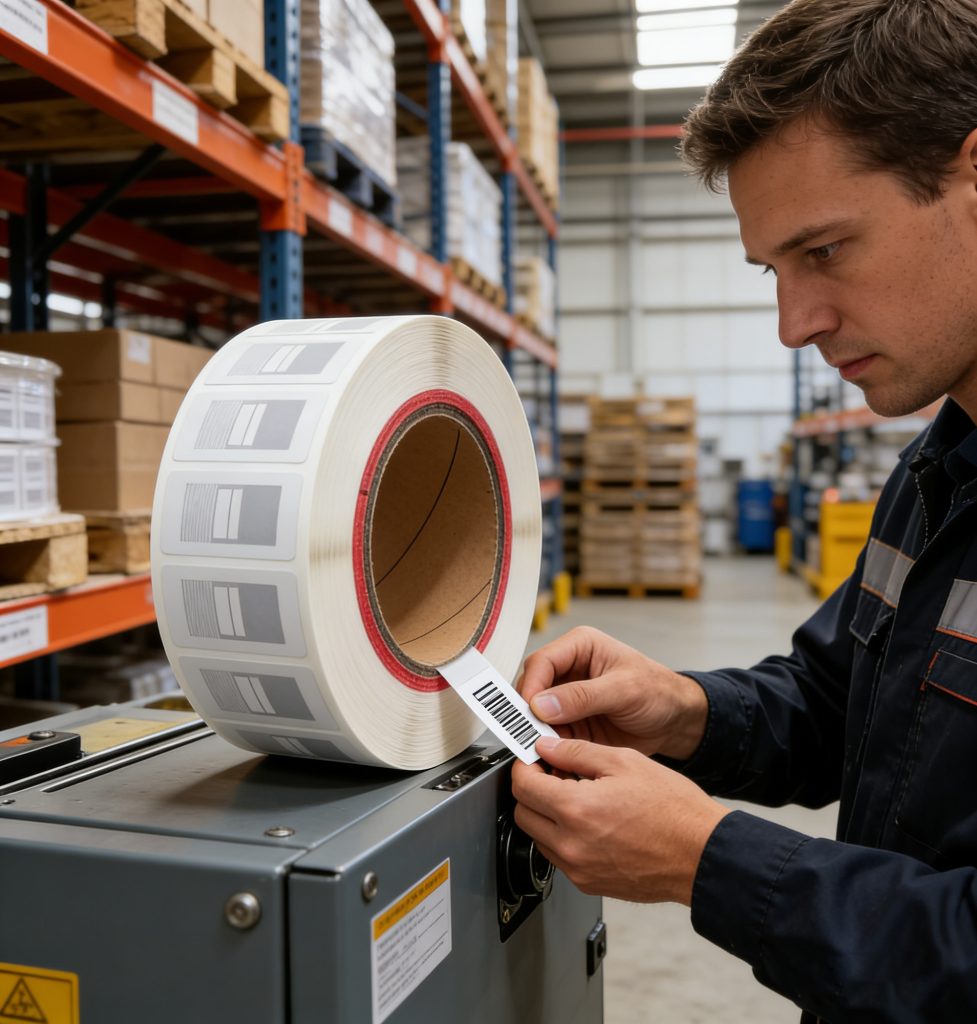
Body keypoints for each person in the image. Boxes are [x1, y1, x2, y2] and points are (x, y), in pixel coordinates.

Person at [511, 0, 977, 1019]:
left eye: (823, 251)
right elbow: (840, 704)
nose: (790, 324)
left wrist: (704, 859)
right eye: (772, 270)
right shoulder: (939, 471)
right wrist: (683, 710)